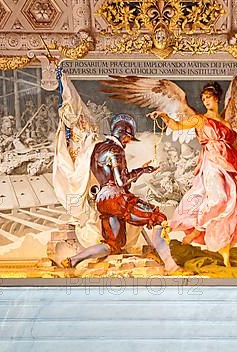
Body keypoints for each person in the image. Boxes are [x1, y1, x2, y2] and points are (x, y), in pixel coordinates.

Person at [149, 82, 237, 267]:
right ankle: (197, 230)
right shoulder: (200, 119)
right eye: (203, 99)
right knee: (219, 198)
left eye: (209, 97)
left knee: (231, 206)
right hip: (211, 163)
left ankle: (225, 253)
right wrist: (164, 116)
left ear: (217, 98)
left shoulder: (226, 123)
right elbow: (177, 126)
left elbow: (236, 147)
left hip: (229, 164)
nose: (206, 101)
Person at [62, 113, 179, 273]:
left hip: (103, 200)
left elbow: (110, 175)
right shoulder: (115, 150)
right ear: (122, 133)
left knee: (112, 245)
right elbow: (121, 182)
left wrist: (139, 171)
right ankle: (171, 265)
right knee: (159, 219)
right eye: (128, 138)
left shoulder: (98, 148)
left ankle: (74, 260)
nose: (128, 142)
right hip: (117, 198)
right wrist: (143, 170)